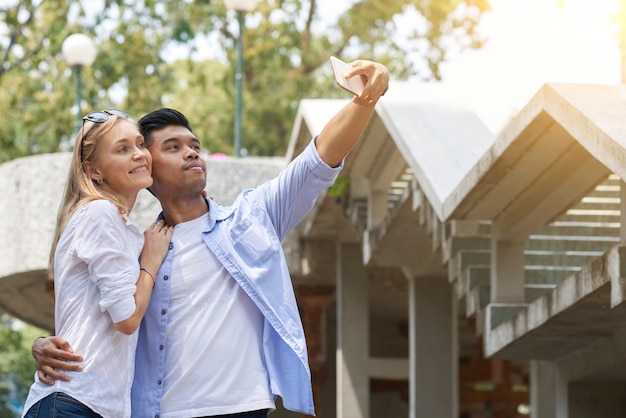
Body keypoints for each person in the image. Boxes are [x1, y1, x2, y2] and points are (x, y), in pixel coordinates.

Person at [31, 59, 390, 417]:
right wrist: (44, 343)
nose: (191, 152)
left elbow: (317, 161)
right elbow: (98, 319)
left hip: (241, 409)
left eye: (194, 145)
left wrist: (364, 102)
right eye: (172, 147)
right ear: (146, 168)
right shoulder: (140, 248)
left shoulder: (251, 220)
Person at [22, 110, 173, 417]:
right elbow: (127, 319)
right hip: (73, 401)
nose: (139, 155)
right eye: (122, 149)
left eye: (140, 144)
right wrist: (150, 264)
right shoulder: (99, 213)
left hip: (93, 405)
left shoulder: (123, 227)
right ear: (93, 170)